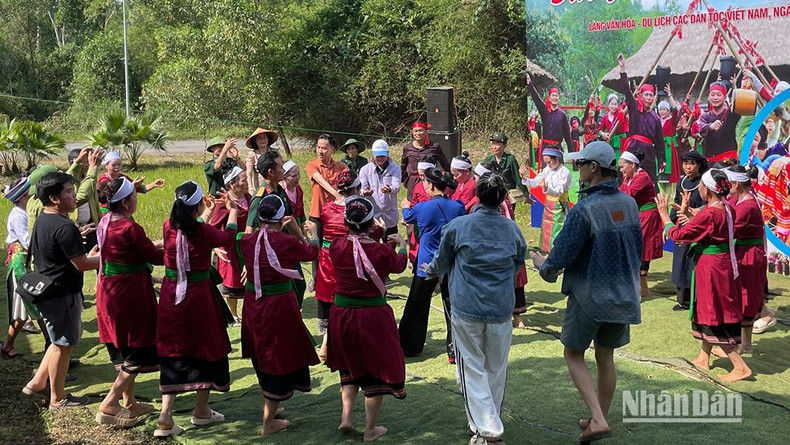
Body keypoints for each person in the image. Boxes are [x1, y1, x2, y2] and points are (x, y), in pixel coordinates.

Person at [531, 141, 642, 443]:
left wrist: (543, 266)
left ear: (593, 168)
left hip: (590, 296)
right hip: (624, 296)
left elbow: (561, 254)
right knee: (606, 356)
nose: (576, 168)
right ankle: (598, 417)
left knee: (573, 353)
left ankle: (599, 418)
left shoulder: (585, 209)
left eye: (580, 163)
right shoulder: (629, 203)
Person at [423, 172, 525, 444]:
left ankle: (488, 429)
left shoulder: (459, 226)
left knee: (472, 369)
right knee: (494, 369)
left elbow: (440, 262)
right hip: (500, 309)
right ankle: (482, 424)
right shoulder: (512, 230)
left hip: (466, 308)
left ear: (477, 196)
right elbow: (517, 264)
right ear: (503, 198)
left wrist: (428, 270)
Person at [154, 181, 237, 437]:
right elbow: (228, 236)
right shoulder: (203, 233)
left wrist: (206, 213)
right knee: (207, 347)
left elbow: (193, 226)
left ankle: (166, 415)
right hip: (198, 297)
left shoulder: (169, 226)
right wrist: (232, 210)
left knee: (173, 348)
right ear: (198, 205)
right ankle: (201, 411)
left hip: (171, 296)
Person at [326, 196, 409, 442]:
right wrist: (401, 243)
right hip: (371, 316)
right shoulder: (380, 251)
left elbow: (359, 253)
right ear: (370, 223)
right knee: (374, 370)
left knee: (349, 366)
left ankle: (346, 417)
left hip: (341, 314)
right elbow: (399, 265)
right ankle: (370, 429)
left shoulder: (336, 246)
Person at [656, 170, 752, 382]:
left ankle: (739, 366)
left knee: (713, 312)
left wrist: (664, 215)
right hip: (720, 265)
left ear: (707, 190)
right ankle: (703, 357)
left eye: (700, 184)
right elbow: (709, 230)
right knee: (707, 308)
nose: (698, 187)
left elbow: (679, 235)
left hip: (712, 269)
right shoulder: (726, 207)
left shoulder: (711, 213)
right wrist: (690, 216)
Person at [238, 194, 320, 437]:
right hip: (279, 306)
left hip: (253, 304)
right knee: (278, 356)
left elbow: (237, 236)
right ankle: (268, 421)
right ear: (280, 217)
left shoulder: (247, 240)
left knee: (261, 352)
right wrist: (312, 234)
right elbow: (311, 252)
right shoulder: (285, 242)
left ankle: (270, 408)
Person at [22, 172, 101, 408]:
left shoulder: (44, 220)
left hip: (48, 291)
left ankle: (37, 384)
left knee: (57, 342)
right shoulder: (65, 226)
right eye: (68, 191)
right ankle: (58, 398)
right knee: (63, 345)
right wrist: (107, 256)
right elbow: (83, 264)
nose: (74, 195)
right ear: (54, 198)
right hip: (62, 293)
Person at [94, 177, 164, 427]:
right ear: (125, 202)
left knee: (120, 347)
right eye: (134, 196)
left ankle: (130, 402)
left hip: (108, 289)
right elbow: (155, 257)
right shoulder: (129, 228)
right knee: (137, 348)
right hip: (130, 293)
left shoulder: (105, 221)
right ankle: (110, 402)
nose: (136, 199)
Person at [399, 168, 465, 362]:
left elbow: (407, 218)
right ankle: (454, 351)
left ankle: (410, 346)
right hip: (451, 262)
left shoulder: (421, 207)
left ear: (432, 185)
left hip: (426, 263)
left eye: (425, 183)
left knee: (417, 304)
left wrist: (405, 205)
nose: (424, 186)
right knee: (452, 306)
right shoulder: (458, 206)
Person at [307, 171, 361, 362]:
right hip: (346, 255)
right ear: (355, 188)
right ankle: (337, 341)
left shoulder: (327, 208)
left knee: (327, 295)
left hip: (326, 257)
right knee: (346, 295)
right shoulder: (356, 209)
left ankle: (326, 339)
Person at [722, 165, 766, 354]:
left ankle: (743, 343)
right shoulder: (738, 199)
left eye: (728, 183)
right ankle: (744, 343)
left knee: (746, 297)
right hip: (743, 251)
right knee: (742, 295)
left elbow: (727, 226)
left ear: (737, 184)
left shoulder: (747, 205)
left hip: (749, 255)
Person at [3, 177, 44, 359]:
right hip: (21, 264)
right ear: (22, 197)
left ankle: (8, 345)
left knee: (27, 308)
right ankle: (53, 343)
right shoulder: (18, 216)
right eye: (28, 194)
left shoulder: (23, 212)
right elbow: (27, 242)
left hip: (24, 262)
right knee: (35, 305)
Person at [618, 150, 663, 297]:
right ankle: (642, 288)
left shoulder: (642, 177)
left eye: (622, 167)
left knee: (640, 248)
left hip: (647, 216)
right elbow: (622, 191)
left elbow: (626, 194)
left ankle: (638, 287)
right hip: (637, 215)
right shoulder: (630, 177)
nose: (621, 170)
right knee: (637, 248)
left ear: (632, 164)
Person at [210, 166, 251, 323]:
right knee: (233, 279)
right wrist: (215, 248)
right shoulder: (223, 203)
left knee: (248, 280)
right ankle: (233, 313)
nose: (247, 182)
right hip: (229, 247)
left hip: (246, 245)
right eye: (243, 180)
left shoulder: (248, 197)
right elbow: (211, 228)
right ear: (233, 184)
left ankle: (247, 311)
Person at [618, 54, 666, 184]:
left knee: (649, 181)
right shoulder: (634, 108)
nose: (649, 97)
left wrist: (661, 160)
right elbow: (626, 90)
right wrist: (623, 69)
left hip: (648, 154)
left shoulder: (655, 118)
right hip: (633, 149)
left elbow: (660, 142)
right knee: (628, 178)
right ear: (641, 95)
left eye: (651, 95)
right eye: (646, 94)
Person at [670, 151, 708, 311]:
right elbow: (677, 203)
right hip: (682, 226)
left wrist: (693, 212)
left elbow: (708, 204)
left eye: (691, 163)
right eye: (685, 163)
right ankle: (682, 300)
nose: (688, 167)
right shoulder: (682, 182)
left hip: (697, 226)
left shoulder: (705, 182)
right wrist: (671, 222)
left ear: (698, 164)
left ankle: (695, 299)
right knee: (680, 261)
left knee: (693, 262)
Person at [519, 147, 572, 253]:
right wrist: (524, 177)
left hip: (560, 203)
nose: (548, 165)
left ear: (557, 159)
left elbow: (559, 190)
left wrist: (547, 188)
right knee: (546, 225)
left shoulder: (565, 172)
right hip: (549, 204)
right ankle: (545, 247)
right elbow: (535, 182)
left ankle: (557, 248)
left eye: (549, 162)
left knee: (558, 226)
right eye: (546, 163)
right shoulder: (547, 170)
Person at [359, 139, 401, 237]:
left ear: (387, 154)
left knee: (390, 245)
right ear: (373, 155)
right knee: (372, 247)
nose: (380, 158)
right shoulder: (365, 170)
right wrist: (365, 192)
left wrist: (390, 189)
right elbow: (361, 188)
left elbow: (397, 186)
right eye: (378, 156)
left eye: (383, 156)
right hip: (372, 215)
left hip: (389, 214)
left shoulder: (395, 168)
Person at [526, 74, 574, 159]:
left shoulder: (562, 115)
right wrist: (529, 84)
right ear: (549, 97)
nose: (555, 97)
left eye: (556, 95)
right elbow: (537, 99)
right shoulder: (544, 110)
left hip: (557, 148)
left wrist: (573, 155)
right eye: (553, 95)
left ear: (558, 98)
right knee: (546, 171)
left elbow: (567, 136)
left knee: (559, 171)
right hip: (546, 149)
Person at [400, 121, 450, 199]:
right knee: (413, 203)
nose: (418, 133)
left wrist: (449, 177)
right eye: (416, 131)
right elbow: (403, 166)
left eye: (421, 130)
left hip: (429, 180)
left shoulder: (434, 147)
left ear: (426, 132)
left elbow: (444, 163)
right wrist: (405, 181)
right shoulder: (407, 148)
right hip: (413, 181)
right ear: (412, 132)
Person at [482, 132, 529, 212]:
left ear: (504, 146)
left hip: (507, 195)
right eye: (493, 144)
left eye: (497, 144)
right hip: (492, 195)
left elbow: (517, 178)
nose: (494, 147)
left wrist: (526, 194)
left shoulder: (510, 160)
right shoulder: (488, 160)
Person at [696, 82, 741, 162]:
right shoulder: (705, 116)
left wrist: (735, 89)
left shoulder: (731, 113)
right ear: (709, 97)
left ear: (725, 97)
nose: (715, 98)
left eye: (719, 95)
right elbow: (701, 129)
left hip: (729, 160)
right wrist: (710, 126)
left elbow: (739, 105)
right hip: (711, 160)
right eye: (712, 95)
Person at [100, 151, 166, 204]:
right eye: (113, 165)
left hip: (122, 209)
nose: (117, 167)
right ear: (106, 166)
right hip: (108, 212)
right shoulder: (104, 180)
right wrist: (132, 186)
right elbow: (111, 195)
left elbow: (140, 188)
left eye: (119, 164)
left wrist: (154, 184)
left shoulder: (123, 177)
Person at [244, 128, 279, 194]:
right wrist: (250, 189)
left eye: (264, 137)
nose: (262, 140)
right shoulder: (252, 155)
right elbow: (248, 173)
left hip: (274, 184)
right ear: (255, 141)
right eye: (259, 138)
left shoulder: (274, 152)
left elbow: (281, 167)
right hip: (259, 187)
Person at [597, 94, 627, 162]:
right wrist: (603, 134)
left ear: (618, 105)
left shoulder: (621, 114)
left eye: (615, 104)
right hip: (610, 141)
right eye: (612, 104)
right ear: (608, 104)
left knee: (621, 161)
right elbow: (599, 130)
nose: (613, 106)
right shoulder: (605, 117)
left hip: (621, 141)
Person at [280, 160, 306, 229]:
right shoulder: (281, 192)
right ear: (284, 177)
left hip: (299, 224)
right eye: (293, 176)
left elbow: (301, 211)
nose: (297, 178)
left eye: (298, 174)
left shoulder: (298, 189)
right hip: (287, 227)